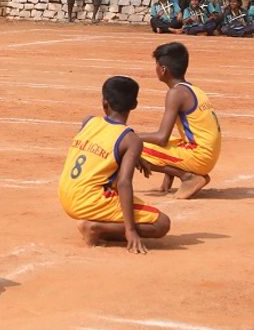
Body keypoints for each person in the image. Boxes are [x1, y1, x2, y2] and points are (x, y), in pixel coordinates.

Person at [58, 76, 171, 253]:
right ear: (134, 104)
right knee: (162, 224)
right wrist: (130, 230)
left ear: (104, 103)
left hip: (66, 194)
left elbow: (105, 144)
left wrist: (135, 157)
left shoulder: (88, 121)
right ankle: (95, 227)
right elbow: (124, 182)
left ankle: (99, 225)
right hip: (88, 201)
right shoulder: (130, 139)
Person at [138, 42, 221, 199]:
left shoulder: (176, 94)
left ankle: (188, 177)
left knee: (130, 144)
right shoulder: (192, 89)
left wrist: (125, 134)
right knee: (171, 140)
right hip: (207, 153)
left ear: (163, 69)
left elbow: (161, 138)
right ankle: (183, 178)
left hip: (200, 157)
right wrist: (166, 186)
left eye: (156, 65)